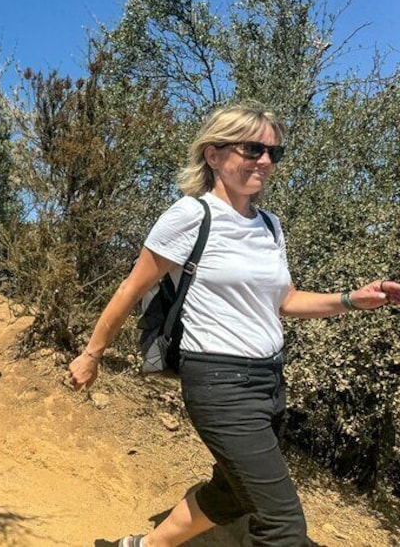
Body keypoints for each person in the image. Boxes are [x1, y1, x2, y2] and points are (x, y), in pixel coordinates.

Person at [67, 102, 400, 547]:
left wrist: (350, 299)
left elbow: (285, 300)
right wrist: (92, 354)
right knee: (283, 526)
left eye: (273, 153)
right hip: (218, 382)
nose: (265, 161)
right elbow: (130, 290)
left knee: (233, 493)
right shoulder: (191, 215)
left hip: (268, 380)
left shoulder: (270, 226)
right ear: (214, 154)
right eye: (253, 149)